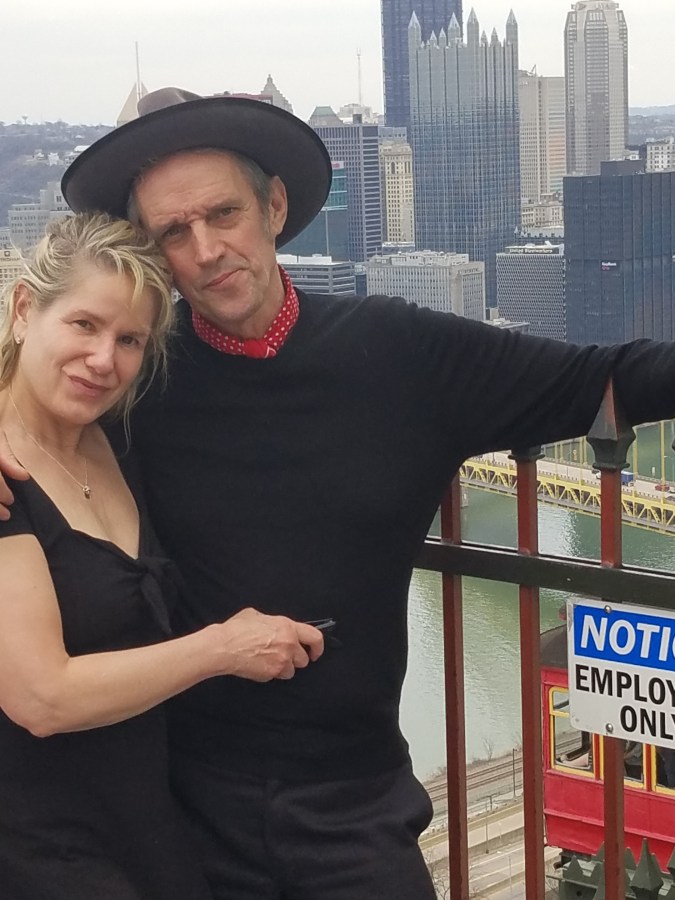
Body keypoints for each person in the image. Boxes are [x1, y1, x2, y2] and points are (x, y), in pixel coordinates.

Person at [3, 89, 675, 900]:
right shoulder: (137, 371)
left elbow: (604, 378)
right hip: (182, 810)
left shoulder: (398, 351)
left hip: (353, 806)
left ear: (274, 207)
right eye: (173, 232)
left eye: (224, 213)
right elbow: (36, 386)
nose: (206, 249)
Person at [0, 212, 323, 900]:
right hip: (37, 850)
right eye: (84, 324)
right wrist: (223, 648)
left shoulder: (118, 436)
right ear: (25, 309)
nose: (103, 360)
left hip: (149, 830)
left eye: (129, 340)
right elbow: (41, 697)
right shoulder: (6, 482)